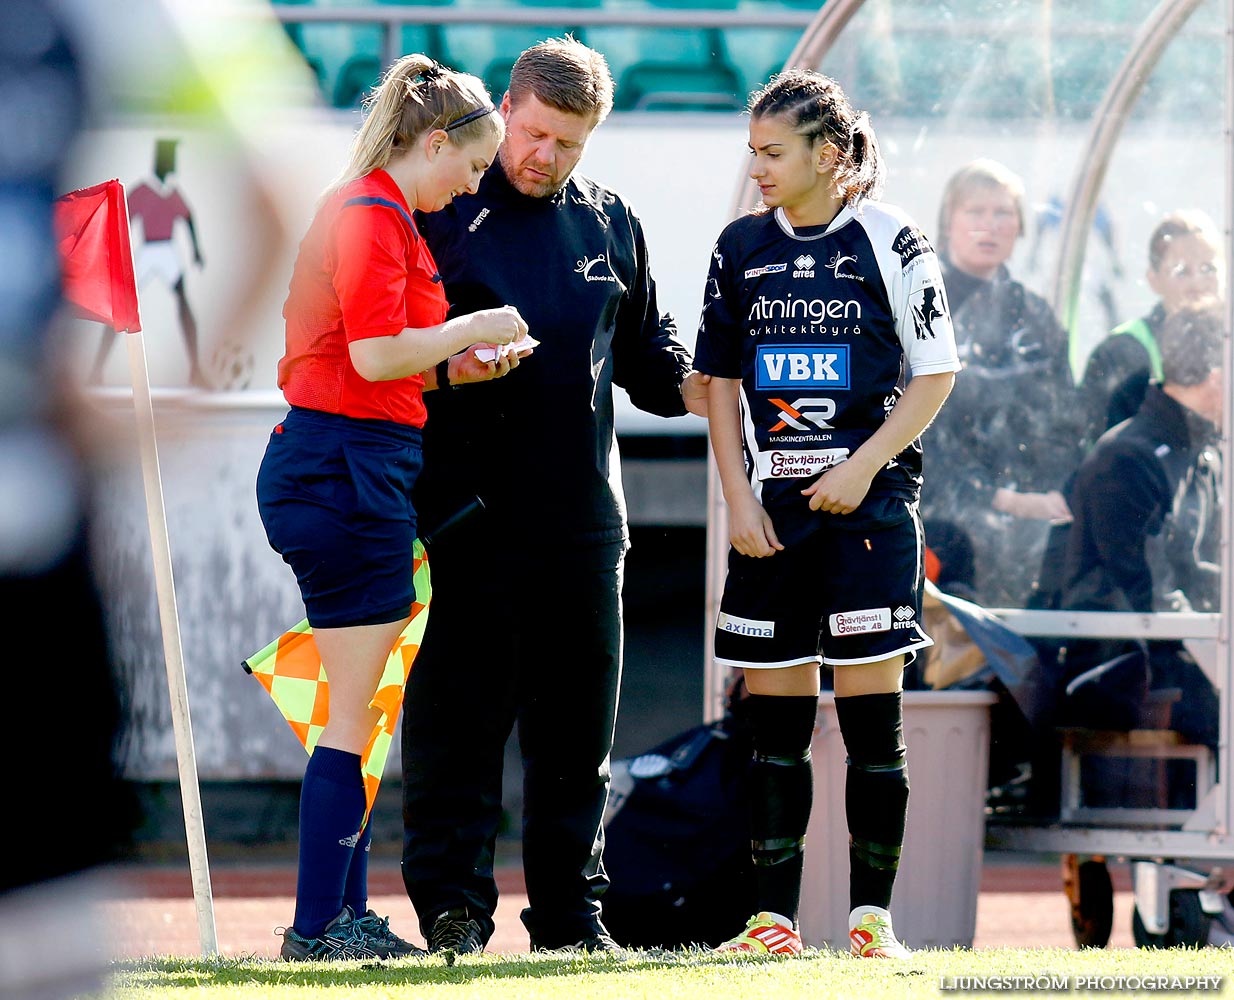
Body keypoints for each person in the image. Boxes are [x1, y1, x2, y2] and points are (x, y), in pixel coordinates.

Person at [398, 36, 708, 956]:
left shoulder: (611, 221)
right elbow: (383, 359)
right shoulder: (443, 211)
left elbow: (655, 364)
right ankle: (454, 913)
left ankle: (572, 920)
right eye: (533, 134)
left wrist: (719, 381)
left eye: (569, 143)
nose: (546, 156)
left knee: (577, 742)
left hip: (583, 525)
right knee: (458, 730)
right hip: (465, 520)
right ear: (505, 110)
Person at [255, 53, 529, 962]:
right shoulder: (371, 214)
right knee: (357, 713)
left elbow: (378, 362)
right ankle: (317, 924)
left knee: (357, 705)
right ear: (438, 142)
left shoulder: (381, 213)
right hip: (343, 469)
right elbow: (373, 359)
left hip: (346, 463)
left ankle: (340, 915)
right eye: (473, 164)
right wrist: (473, 329)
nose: (473, 184)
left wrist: (457, 365)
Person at [693, 69, 959, 959]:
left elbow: (935, 375)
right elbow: (721, 386)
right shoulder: (737, 248)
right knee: (775, 727)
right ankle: (771, 922)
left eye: (774, 153)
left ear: (830, 154)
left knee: (870, 719)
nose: (759, 169)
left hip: (871, 511)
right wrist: (736, 497)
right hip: (770, 518)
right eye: (754, 152)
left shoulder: (895, 240)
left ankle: (872, 923)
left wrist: (863, 465)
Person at [1049, 301, 1223, 755]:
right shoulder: (1127, 458)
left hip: (1176, 655)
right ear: (1218, 376)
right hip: (1122, 667)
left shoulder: (1202, 453)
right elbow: (1149, 592)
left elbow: (1199, 571)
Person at [918, 158, 1082, 608]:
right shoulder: (918, 305)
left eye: (1002, 213)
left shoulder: (1035, 315)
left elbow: (1065, 422)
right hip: (940, 531)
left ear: (1021, 227)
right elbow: (906, 429)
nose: (989, 226)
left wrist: (1051, 494)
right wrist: (998, 499)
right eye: (975, 212)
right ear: (948, 223)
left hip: (1033, 526)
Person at [1078, 210, 1224, 446]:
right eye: (1181, 271)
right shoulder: (1119, 354)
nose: (1197, 284)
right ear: (1153, 279)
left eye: (1209, 269)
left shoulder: (1225, 344)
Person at [87, 138, 210, 388]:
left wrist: (196, 250)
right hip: (148, 250)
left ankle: (195, 369)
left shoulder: (172, 192)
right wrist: (118, 252)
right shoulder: (144, 190)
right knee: (121, 306)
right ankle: (97, 369)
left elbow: (188, 218)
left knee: (184, 303)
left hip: (167, 250)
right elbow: (124, 218)